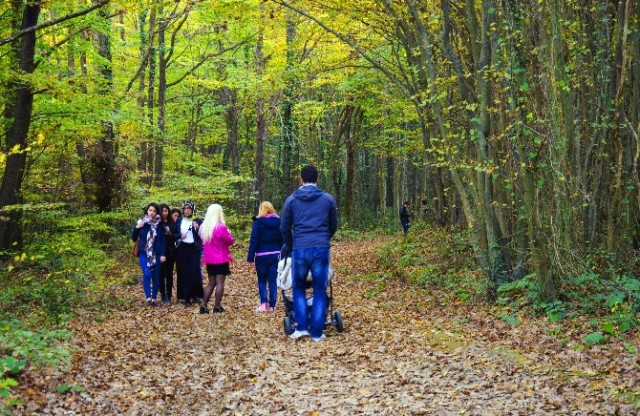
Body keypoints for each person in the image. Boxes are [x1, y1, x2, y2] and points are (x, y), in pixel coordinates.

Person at [281, 165, 338, 341]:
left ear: (301, 179)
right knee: (320, 289)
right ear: (317, 179)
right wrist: (324, 239)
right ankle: (317, 332)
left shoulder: (291, 200)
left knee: (298, 288)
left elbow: (284, 227)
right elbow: (333, 224)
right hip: (320, 248)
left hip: (299, 248)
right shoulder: (328, 199)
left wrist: (290, 245)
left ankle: (302, 328)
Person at [247, 201, 283, 312]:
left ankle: (263, 304)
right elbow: (282, 239)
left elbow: (254, 240)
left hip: (261, 255)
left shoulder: (258, 222)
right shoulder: (279, 222)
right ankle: (272, 306)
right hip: (276, 255)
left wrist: (250, 256)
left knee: (262, 280)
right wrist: (285, 253)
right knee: (273, 281)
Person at [199, 204, 235, 314]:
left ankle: (203, 305)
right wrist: (229, 233)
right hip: (221, 258)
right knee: (220, 282)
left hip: (209, 259)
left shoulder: (204, 228)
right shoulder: (221, 227)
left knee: (211, 283)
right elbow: (230, 241)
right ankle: (217, 306)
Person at [132, 203, 166, 307]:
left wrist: (163, 254)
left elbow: (162, 241)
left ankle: (154, 298)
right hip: (144, 252)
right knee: (147, 274)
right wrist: (138, 227)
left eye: (154, 211)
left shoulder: (160, 226)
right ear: (147, 211)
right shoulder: (142, 223)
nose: (152, 213)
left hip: (156, 253)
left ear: (157, 213)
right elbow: (133, 238)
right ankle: (148, 297)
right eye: (150, 210)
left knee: (156, 276)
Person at [172, 200, 203, 307]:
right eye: (184, 208)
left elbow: (203, 235)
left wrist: (198, 228)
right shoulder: (179, 221)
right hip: (182, 248)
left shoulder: (198, 221)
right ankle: (185, 297)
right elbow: (174, 234)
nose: (186, 210)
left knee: (194, 272)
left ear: (192, 209)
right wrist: (180, 236)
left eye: (188, 208)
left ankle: (195, 295)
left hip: (194, 249)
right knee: (184, 273)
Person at [158, 204, 175, 305]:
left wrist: (170, 234)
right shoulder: (157, 223)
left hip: (170, 251)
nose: (164, 213)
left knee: (169, 274)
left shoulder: (171, 223)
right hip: (160, 252)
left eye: (166, 211)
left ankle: (169, 295)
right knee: (161, 274)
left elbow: (175, 236)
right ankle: (163, 295)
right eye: (162, 211)